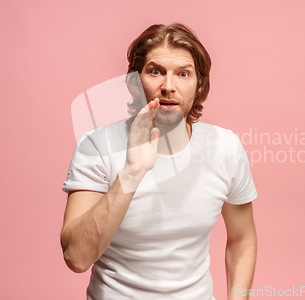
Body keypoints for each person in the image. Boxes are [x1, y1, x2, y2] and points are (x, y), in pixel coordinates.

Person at [61, 23, 257, 300]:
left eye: (183, 74)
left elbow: (242, 239)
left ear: (199, 84)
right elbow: (77, 259)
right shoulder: (97, 146)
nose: (168, 86)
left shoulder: (224, 147)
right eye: (155, 71)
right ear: (134, 82)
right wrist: (131, 173)